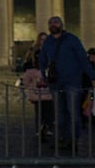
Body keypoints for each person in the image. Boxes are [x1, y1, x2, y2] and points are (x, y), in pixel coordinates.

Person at [37, 15, 90, 146]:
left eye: (56, 22)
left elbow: (83, 59)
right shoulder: (48, 42)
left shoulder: (72, 39)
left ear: (62, 25)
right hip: (55, 83)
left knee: (73, 113)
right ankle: (62, 138)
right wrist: (44, 77)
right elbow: (42, 61)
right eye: (51, 23)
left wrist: (92, 76)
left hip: (72, 81)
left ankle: (73, 140)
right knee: (59, 115)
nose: (53, 25)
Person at [20, 59, 52, 142]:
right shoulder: (51, 69)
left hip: (37, 96)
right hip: (49, 95)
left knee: (39, 113)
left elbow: (26, 83)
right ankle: (48, 127)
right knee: (49, 113)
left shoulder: (30, 72)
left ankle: (39, 129)